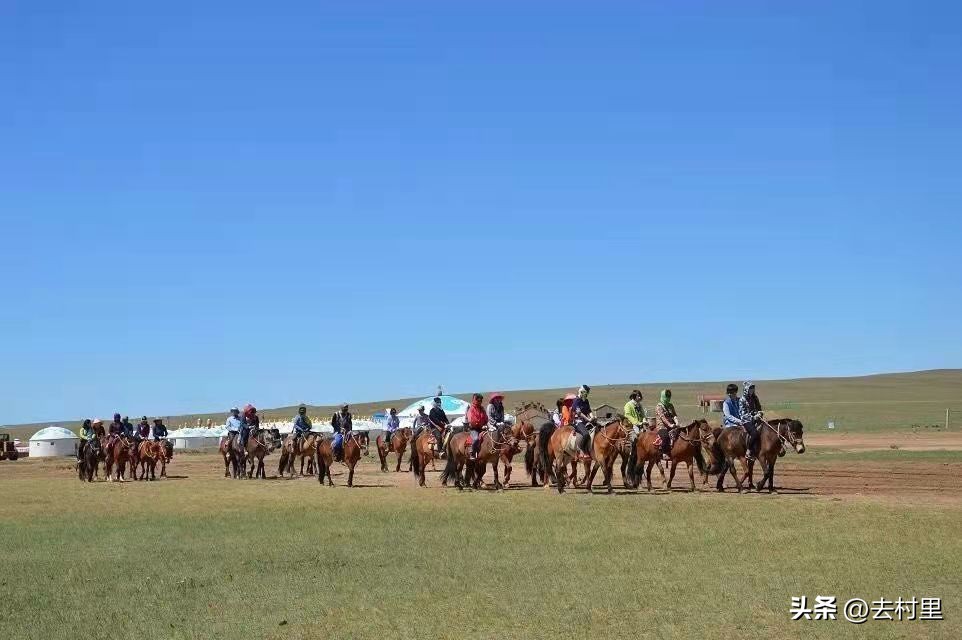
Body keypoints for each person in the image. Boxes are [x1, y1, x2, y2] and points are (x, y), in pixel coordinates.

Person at [739, 381, 763, 461]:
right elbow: (743, 414)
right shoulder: (742, 400)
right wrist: (754, 417)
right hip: (746, 420)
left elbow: (759, 407)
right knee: (754, 433)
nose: (752, 390)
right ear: (746, 389)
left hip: (757, 418)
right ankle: (749, 451)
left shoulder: (755, 397)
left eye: (753, 388)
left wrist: (760, 412)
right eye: (750, 388)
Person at [655, 389, 681, 460]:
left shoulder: (670, 405)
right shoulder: (659, 406)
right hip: (662, 426)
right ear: (663, 396)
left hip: (673, 425)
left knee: (681, 434)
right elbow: (663, 418)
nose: (668, 398)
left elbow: (674, 415)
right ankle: (664, 453)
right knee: (665, 436)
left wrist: (677, 422)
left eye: (669, 396)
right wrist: (670, 425)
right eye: (667, 396)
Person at [570, 385, 593, 455]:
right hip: (578, 421)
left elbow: (589, 411)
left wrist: (592, 417)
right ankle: (582, 448)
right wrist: (588, 419)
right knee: (586, 434)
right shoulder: (576, 400)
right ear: (582, 392)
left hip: (586, 420)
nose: (587, 394)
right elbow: (579, 412)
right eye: (586, 392)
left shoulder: (586, 400)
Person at [466, 393, 488, 460]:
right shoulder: (471, 409)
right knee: (475, 439)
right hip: (474, 428)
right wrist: (481, 425)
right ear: (474, 400)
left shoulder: (482, 409)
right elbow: (471, 420)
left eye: (480, 400)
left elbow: (485, 417)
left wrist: (486, 424)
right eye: (478, 400)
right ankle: (472, 453)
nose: (479, 402)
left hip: (483, 428)